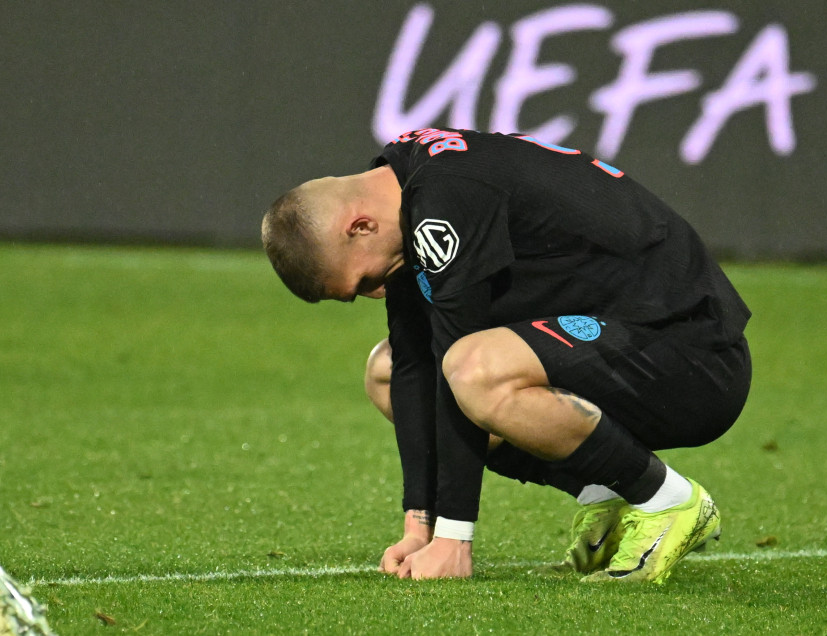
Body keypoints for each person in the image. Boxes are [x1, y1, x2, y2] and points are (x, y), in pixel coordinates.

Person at [261, 127, 752, 583]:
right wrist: (420, 526)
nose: (374, 294)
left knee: (473, 368)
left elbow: (456, 363)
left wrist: (455, 539)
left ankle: (670, 501)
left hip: (691, 354)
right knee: (385, 372)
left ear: (360, 226)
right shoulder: (407, 186)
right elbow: (415, 362)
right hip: (615, 343)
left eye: (364, 281)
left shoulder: (443, 201)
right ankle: (607, 493)